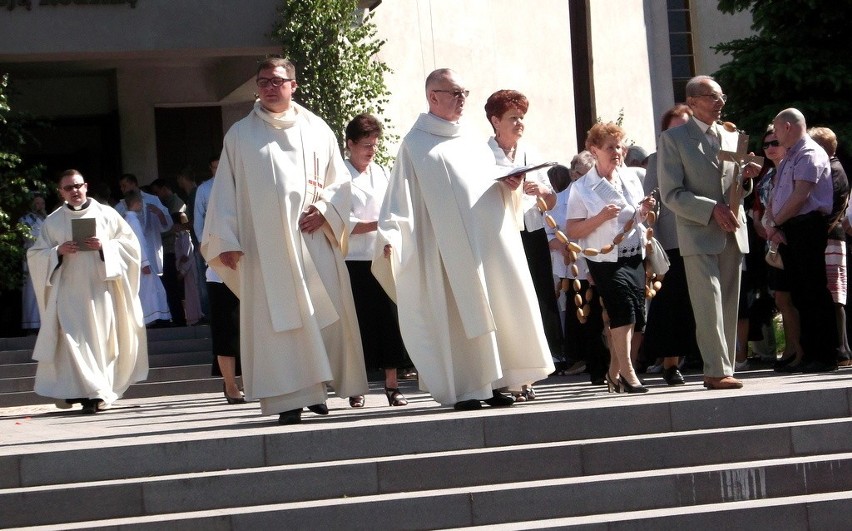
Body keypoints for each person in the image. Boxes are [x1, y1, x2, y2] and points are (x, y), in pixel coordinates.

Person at [373, 68, 554, 411]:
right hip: (446, 253)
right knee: (459, 317)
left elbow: (488, 182)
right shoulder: (415, 144)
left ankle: (497, 382)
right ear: (433, 97)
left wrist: (508, 186)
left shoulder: (472, 139)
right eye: (454, 93)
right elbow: (399, 200)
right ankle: (470, 388)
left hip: (486, 244)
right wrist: (392, 237)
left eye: (464, 93)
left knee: (496, 305)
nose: (461, 100)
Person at [201, 57, 368, 424]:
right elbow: (224, 192)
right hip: (264, 250)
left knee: (321, 315)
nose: (270, 87)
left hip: (311, 240)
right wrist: (225, 239)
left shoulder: (317, 128)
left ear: (293, 85)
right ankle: (288, 399)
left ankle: (318, 388)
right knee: (278, 325)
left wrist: (325, 210)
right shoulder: (240, 135)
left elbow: (339, 181)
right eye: (263, 82)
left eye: (277, 81)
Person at [657, 75, 760, 390]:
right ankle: (715, 370)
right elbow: (671, 194)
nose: (720, 103)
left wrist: (747, 180)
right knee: (708, 302)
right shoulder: (673, 139)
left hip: (732, 231)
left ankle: (725, 367)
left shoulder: (731, 137)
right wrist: (710, 209)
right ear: (692, 102)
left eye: (721, 96)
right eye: (712, 96)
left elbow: (736, 188)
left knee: (729, 302)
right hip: (699, 231)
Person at [27, 169, 148, 414]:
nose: (74, 191)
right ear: (60, 192)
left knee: (99, 343)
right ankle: (86, 392)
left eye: (77, 186)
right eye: (68, 188)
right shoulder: (53, 221)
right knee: (73, 343)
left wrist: (105, 247)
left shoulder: (107, 215)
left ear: (86, 186)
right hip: (69, 294)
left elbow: (131, 248)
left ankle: (98, 393)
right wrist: (57, 252)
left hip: (100, 292)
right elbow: (36, 255)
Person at [566, 122, 655, 394]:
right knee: (622, 311)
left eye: (619, 146)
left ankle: (614, 373)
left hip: (632, 253)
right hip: (603, 259)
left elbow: (637, 218)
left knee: (636, 317)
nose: (617, 152)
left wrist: (647, 210)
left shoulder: (629, 178)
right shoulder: (582, 187)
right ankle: (628, 373)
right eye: (610, 147)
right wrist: (600, 217)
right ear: (594, 150)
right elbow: (572, 230)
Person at [485, 89, 559, 401]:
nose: (519, 123)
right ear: (495, 121)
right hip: (500, 236)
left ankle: (529, 376)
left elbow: (553, 201)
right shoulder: (482, 155)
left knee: (537, 300)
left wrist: (542, 189)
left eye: (521, 118)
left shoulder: (531, 152)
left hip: (531, 233)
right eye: (513, 118)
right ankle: (503, 376)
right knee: (506, 303)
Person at [342, 113, 411, 408]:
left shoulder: (382, 173)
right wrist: (377, 224)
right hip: (352, 261)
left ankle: (393, 386)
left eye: (374, 144)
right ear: (350, 145)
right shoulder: (340, 177)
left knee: (389, 321)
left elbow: (393, 212)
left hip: (381, 257)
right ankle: (355, 387)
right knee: (356, 325)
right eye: (365, 144)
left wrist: (389, 236)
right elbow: (342, 223)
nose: (371, 150)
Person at [764, 109, 837, 372]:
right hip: (789, 228)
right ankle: (806, 353)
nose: (773, 135)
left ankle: (824, 354)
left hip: (806, 227)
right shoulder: (790, 157)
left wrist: (776, 222)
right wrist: (773, 222)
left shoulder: (809, 153)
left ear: (786, 126)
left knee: (813, 290)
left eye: (775, 129)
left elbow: (800, 196)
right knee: (799, 293)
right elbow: (777, 194)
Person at [642, 103, 698, 386]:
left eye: (684, 128)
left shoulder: (703, 155)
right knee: (671, 302)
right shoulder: (656, 159)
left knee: (697, 302)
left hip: (701, 236)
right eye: (673, 129)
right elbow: (651, 197)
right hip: (671, 240)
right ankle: (670, 363)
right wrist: (650, 235)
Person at [752, 126, 804, 370]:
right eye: (766, 145)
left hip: (788, 239)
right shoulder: (766, 174)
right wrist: (759, 224)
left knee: (790, 297)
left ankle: (798, 349)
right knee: (781, 298)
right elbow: (758, 208)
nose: (771, 148)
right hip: (770, 244)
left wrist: (776, 227)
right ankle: (793, 348)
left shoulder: (794, 168)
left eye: (775, 143)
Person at [557, 151, 610, 385]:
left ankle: (611, 365)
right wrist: (563, 243)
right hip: (576, 268)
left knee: (605, 317)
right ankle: (596, 368)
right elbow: (552, 229)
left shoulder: (600, 192)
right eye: (582, 174)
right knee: (586, 319)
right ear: (572, 174)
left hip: (600, 261)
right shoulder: (560, 199)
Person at [195, 165, 244, 404]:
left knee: (248, 331)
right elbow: (206, 232)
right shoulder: (212, 196)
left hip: (249, 271)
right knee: (225, 331)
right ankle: (231, 385)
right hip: (221, 273)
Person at [808, 126, 850, 365]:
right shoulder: (829, 167)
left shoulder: (833, 169)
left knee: (835, 293)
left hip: (830, 236)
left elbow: (829, 205)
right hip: (828, 236)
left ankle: (841, 349)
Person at [115, 173, 173, 326]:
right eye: (121, 186)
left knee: (155, 289)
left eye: (125, 185)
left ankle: (155, 319)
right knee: (148, 291)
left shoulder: (152, 200)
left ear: (134, 184)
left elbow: (168, 225)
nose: (122, 189)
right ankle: (149, 319)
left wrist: (159, 213)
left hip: (151, 249)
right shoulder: (123, 208)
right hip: (137, 257)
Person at [149, 178, 188, 327]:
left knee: (171, 287)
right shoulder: (168, 203)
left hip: (172, 249)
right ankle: (173, 317)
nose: (156, 196)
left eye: (157, 192)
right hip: (167, 250)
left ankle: (178, 318)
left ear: (165, 188)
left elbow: (172, 228)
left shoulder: (175, 204)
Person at [20, 194, 47, 333]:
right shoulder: (25, 220)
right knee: (31, 291)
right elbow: (29, 238)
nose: (40, 206)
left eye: (42, 203)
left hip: (46, 259)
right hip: (32, 257)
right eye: (37, 203)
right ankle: (31, 324)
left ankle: (44, 323)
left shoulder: (48, 219)